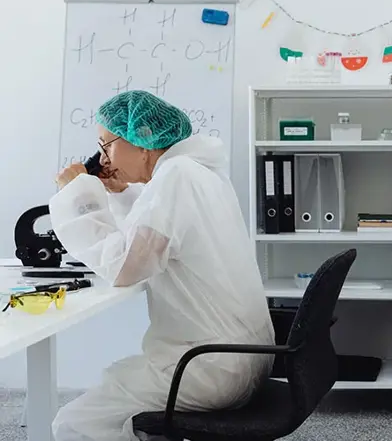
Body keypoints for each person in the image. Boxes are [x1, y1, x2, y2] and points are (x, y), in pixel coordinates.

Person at [49, 90, 275, 441]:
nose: (103, 158)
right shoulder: (197, 171)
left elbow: (124, 267)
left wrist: (76, 194)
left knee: (74, 423)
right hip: (241, 357)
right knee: (118, 387)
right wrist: (121, 193)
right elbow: (154, 237)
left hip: (208, 367)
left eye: (106, 144)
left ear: (142, 141)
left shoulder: (177, 176)